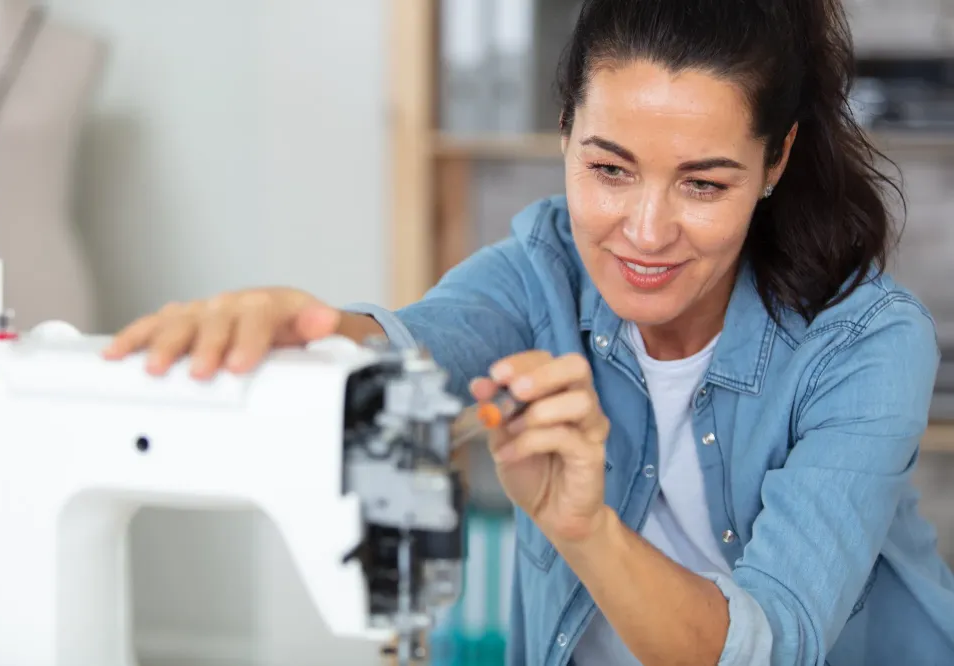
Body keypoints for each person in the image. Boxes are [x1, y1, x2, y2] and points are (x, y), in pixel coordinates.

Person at [104, 0, 954, 663]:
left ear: (776, 161)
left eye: (703, 184)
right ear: (564, 131)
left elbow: (772, 649)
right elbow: (422, 346)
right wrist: (318, 339)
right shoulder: (544, 267)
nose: (646, 233)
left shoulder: (866, 347)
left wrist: (586, 528)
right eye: (609, 169)